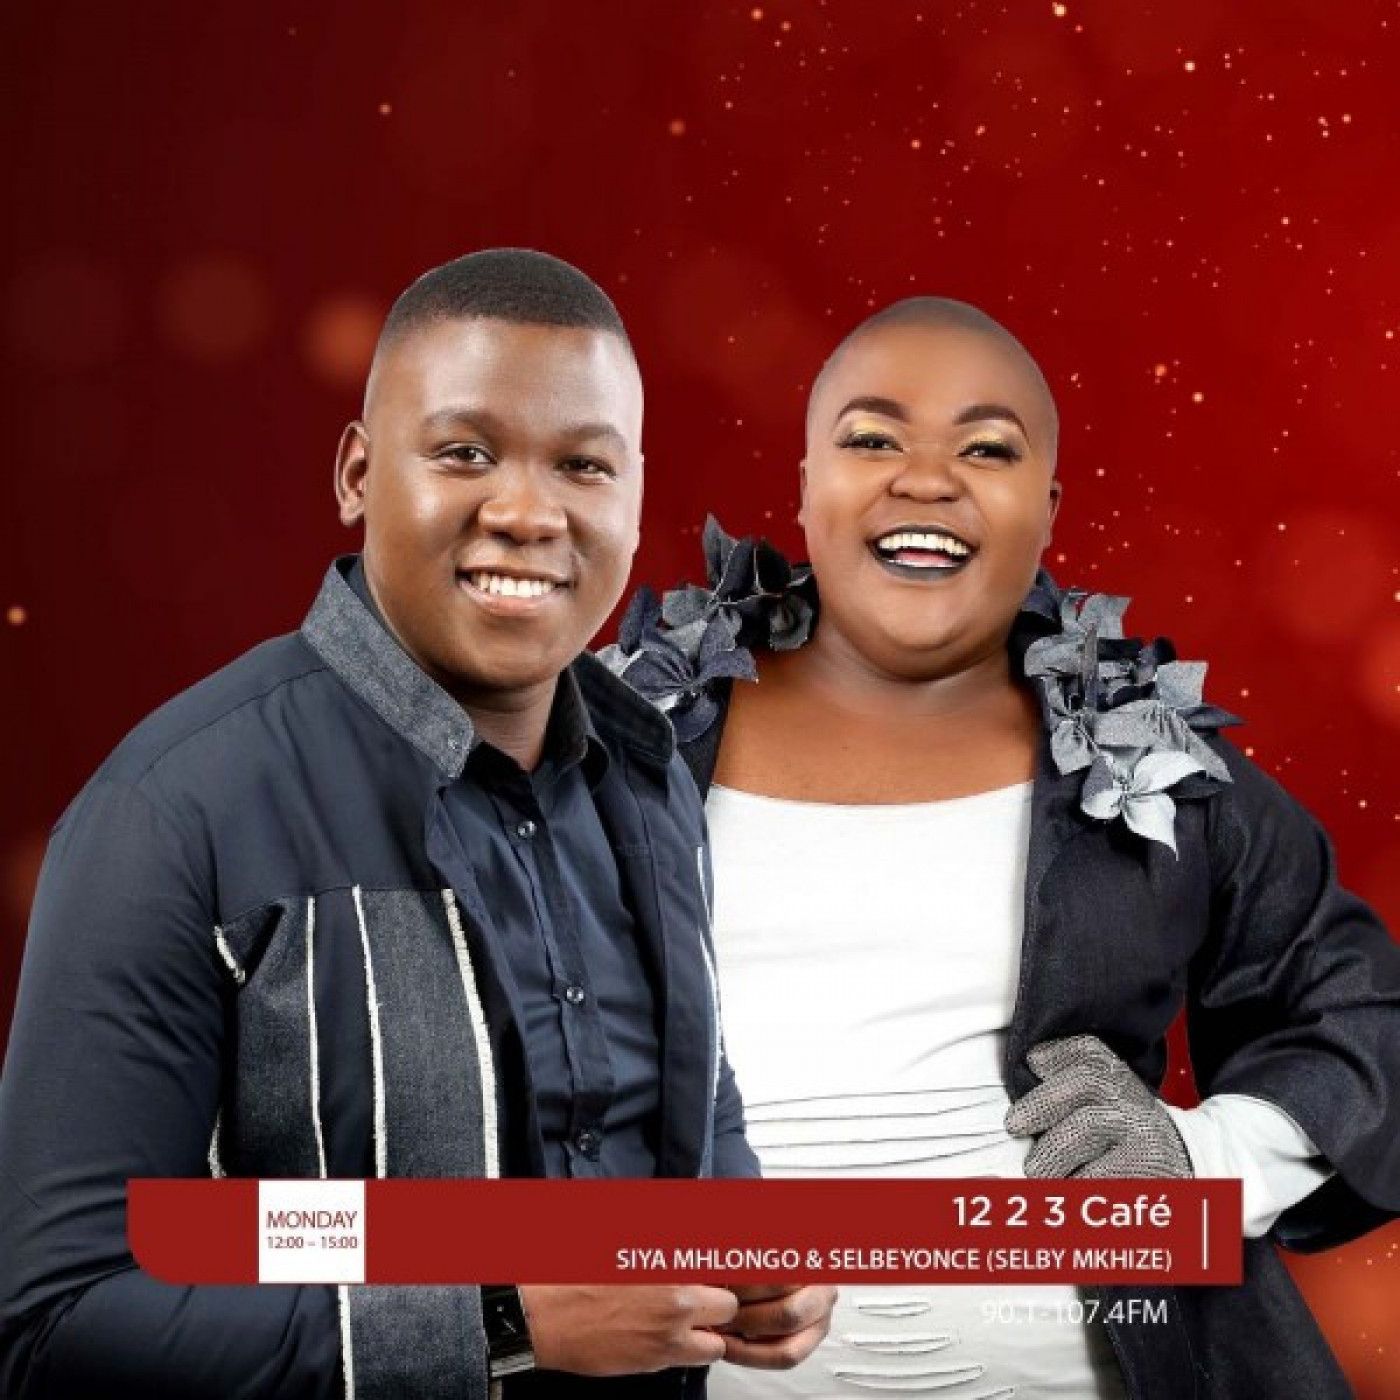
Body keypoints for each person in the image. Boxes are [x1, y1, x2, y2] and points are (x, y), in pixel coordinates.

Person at [0, 248, 833, 1399]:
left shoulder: (652, 778)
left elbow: (691, 1112)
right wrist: (503, 1318)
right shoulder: (171, 813)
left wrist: (750, 1241)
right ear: (356, 471)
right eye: (464, 452)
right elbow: (55, 1319)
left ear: (634, 494)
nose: (527, 512)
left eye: (582, 464)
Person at [604, 297, 1400, 1398]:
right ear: (803, 483)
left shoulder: (1148, 757)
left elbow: (1366, 1017)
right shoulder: (619, 734)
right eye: (872, 439)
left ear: (1046, 508)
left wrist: (1203, 1163)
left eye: (985, 449)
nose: (926, 480)